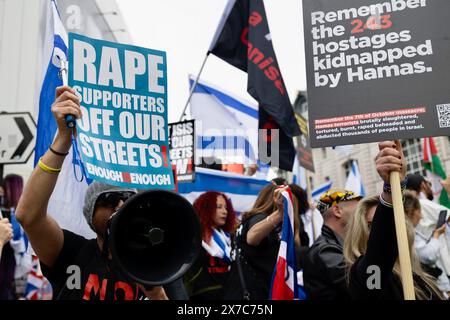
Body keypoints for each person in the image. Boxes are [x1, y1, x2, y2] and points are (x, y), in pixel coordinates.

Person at [16, 86, 167, 300]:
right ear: (90, 214)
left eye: (128, 199)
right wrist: (63, 137)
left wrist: (156, 292)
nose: (120, 205)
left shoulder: (156, 265)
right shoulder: (72, 252)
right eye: (110, 199)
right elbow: (28, 215)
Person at [344, 140, 443, 300]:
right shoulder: (367, 276)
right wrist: (390, 189)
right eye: (372, 226)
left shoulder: (417, 275)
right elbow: (378, 255)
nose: (387, 230)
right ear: (359, 232)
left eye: (394, 223)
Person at [224, 184, 300, 300]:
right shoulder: (259, 218)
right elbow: (252, 237)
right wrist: (280, 214)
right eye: (289, 205)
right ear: (275, 202)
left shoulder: (248, 221)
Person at [302, 189, 362, 300]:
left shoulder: (337, 246)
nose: (362, 215)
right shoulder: (325, 251)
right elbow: (368, 286)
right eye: (358, 209)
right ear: (337, 211)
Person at [184, 191, 236, 300]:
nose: (225, 211)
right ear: (206, 209)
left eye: (226, 207)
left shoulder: (229, 237)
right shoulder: (195, 237)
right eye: (219, 207)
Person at [405, 173, 450, 287]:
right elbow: (448, 214)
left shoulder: (420, 204)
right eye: (429, 183)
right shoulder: (422, 203)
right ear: (423, 185)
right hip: (440, 268)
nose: (420, 216)